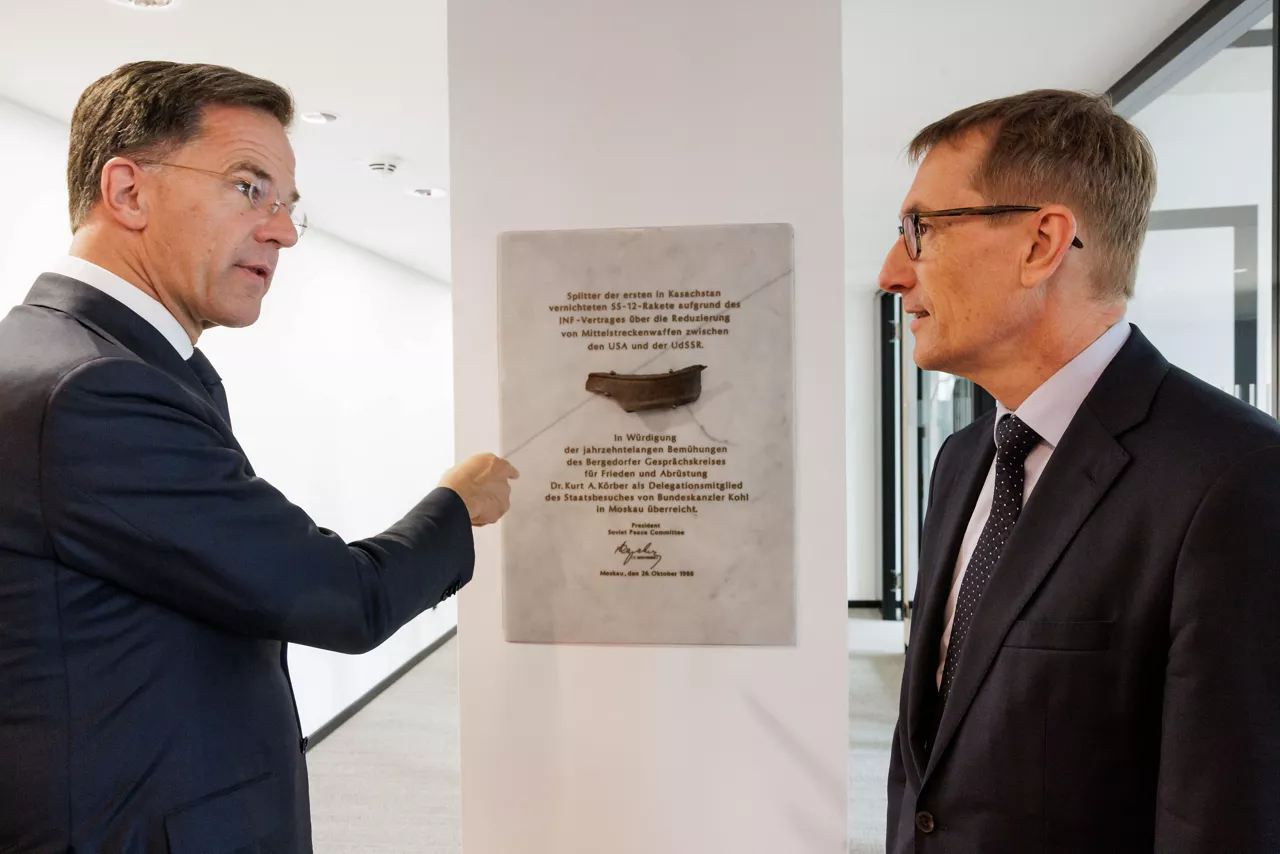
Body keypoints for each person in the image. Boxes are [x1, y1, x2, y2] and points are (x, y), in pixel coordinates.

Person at [0, 61, 517, 853]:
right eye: (249, 188)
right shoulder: (92, 389)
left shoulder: (96, 360)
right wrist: (458, 503)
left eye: (287, 205)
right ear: (128, 191)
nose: (280, 230)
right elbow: (340, 597)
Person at [880, 89, 1280, 853]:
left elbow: (1228, 816)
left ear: (1041, 243)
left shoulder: (1235, 479)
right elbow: (928, 767)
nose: (894, 271)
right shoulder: (962, 462)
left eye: (920, 230)